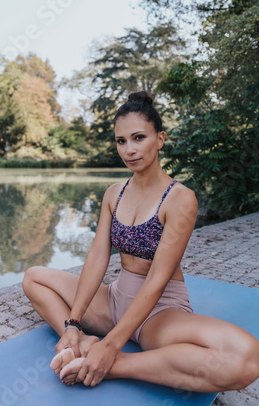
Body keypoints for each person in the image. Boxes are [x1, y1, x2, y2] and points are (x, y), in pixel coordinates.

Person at [22, 91, 259, 391]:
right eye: (121, 141)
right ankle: (81, 344)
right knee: (33, 278)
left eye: (138, 138)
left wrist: (111, 348)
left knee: (245, 358)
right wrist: (72, 323)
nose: (129, 149)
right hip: (114, 301)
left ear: (159, 139)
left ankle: (113, 365)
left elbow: (158, 278)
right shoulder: (113, 193)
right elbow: (97, 257)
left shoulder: (180, 199)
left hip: (158, 313)